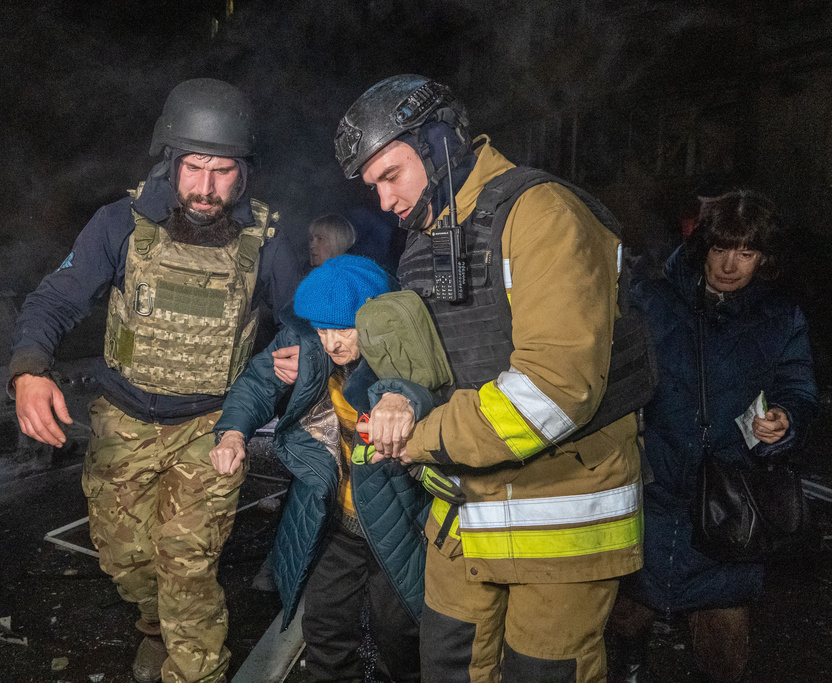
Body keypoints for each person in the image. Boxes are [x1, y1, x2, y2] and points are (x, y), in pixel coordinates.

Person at [278, 74, 645, 682]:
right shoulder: (426, 240)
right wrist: (386, 391)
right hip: (462, 518)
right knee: (446, 667)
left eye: (390, 176)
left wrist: (417, 436)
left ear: (440, 143)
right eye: (373, 187)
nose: (384, 202)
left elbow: (552, 394)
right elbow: (422, 362)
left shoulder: (541, 215)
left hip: (557, 524)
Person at [9, 78, 299, 683]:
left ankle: (194, 669)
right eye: (195, 168)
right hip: (123, 420)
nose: (206, 188)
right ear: (170, 162)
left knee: (187, 569)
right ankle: (152, 625)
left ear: (243, 173)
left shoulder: (266, 242)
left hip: (212, 427)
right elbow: (54, 300)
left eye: (223, 172)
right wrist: (30, 371)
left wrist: (289, 364)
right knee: (126, 561)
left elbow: (299, 321)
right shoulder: (119, 223)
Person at [608, 191, 818, 683]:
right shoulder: (653, 296)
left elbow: (798, 385)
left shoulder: (781, 316)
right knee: (623, 614)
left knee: (724, 645)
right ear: (703, 244)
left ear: (763, 258)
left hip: (731, 501)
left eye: (746, 253)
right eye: (721, 247)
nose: (730, 264)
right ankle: (630, 665)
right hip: (650, 488)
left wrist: (786, 418)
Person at [210, 255, 433, 682]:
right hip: (337, 524)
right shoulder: (307, 346)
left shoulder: (411, 348)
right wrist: (234, 433)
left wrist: (404, 398)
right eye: (322, 328)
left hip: (400, 523)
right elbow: (257, 382)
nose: (332, 343)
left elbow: (434, 391)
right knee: (324, 628)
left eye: (344, 328)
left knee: (401, 634)